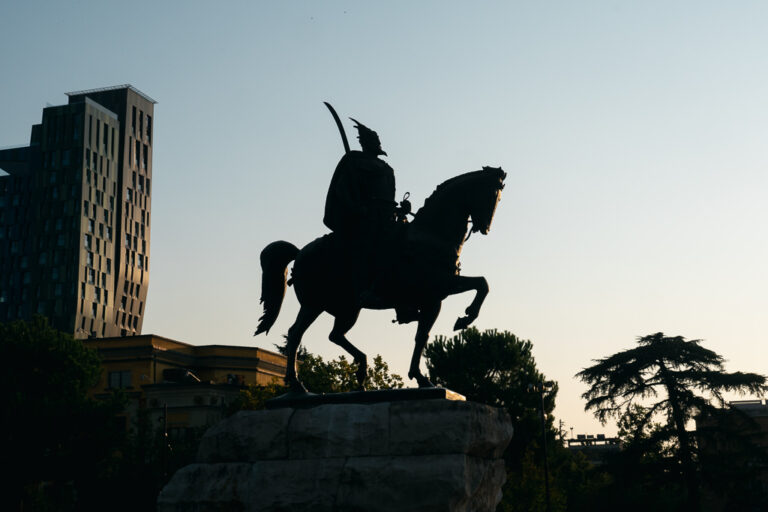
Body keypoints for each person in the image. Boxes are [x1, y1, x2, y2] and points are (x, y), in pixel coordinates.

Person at [323, 119, 399, 308]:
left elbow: (389, 197)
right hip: (365, 217)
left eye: (377, 139)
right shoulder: (353, 161)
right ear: (365, 143)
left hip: (387, 217)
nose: (376, 143)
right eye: (372, 140)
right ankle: (365, 289)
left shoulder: (387, 168)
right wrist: (357, 208)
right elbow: (341, 190)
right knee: (367, 245)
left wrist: (400, 208)